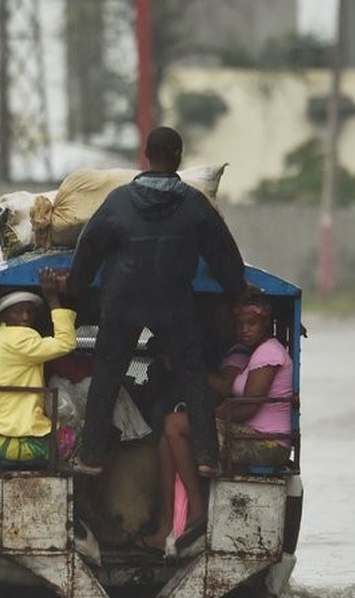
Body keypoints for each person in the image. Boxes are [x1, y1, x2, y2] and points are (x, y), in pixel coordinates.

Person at [66, 126, 246, 477]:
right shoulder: (195, 204)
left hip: (122, 302)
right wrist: (238, 289)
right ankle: (207, 457)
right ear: (178, 157)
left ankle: (90, 457)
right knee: (192, 374)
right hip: (173, 302)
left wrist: (73, 290)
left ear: (146, 156)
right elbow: (223, 252)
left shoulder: (118, 201)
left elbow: (88, 248)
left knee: (108, 372)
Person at [142, 291, 292, 555]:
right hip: (246, 433)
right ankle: (167, 526)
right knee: (169, 432)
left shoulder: (270, 352)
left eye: (252, 324)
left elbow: (248, 406)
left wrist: (207, 417)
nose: (244, 331)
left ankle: (197, 510)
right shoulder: (254, 353)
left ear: (266, 324)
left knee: (176, 424)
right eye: (240, 325)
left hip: (265, 441)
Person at [0, 268, 77, 463]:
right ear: (4, 316)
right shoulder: (20, 337)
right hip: (22, 433)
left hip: (1, 432)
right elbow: (66, 343)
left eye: (29, 311)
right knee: (82, 436)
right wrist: (53, 299)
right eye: (17, 312)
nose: (26, 317)